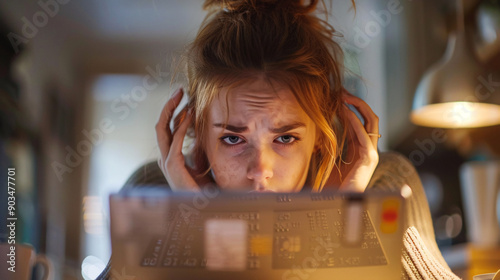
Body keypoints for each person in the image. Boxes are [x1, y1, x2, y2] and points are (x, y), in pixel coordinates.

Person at [150, 0, 461, 279]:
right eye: (233, 139)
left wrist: (345, 213)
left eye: (285, 138)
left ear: (319, 133)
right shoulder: (154, 194)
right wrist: (194, 219)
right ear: (198, 135)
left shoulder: (384, 185)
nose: (260, 170)